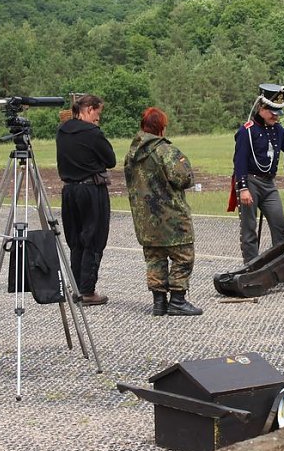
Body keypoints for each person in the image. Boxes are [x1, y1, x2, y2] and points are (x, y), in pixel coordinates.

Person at [124, 107, 202, 316]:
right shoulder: (166, 151)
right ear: (161, 128)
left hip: (145, 218)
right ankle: (177, 299)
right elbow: (184, 179)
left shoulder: (131, 153)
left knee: (154, 258)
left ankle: (159, 302)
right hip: (171, 216)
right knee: (183, 256)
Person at [56, 94, 117, 306]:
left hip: (69, 191)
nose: (97, 119)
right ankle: (87, 290)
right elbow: (110, 160)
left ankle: (76, 286)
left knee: (75, 240)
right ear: (89, 109)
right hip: (91, 190)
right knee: (94, 238)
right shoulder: (92, 133)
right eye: (97, 114)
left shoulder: (62, 131)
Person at [229, 83, 284, 265]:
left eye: (278, 112)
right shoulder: (247, 131)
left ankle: (280, 266)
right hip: (250, 182)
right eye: (272, 112)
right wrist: (244, 188)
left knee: (279, 225)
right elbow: (239, 162)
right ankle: (251, 266)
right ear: (262, 108)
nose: (276, 116)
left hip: (269, 184)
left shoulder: (277, 129)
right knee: (249, 229)